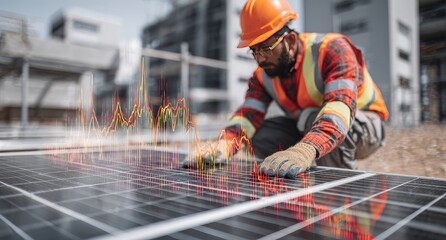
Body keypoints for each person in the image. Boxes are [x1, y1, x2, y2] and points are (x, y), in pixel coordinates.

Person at [183, 0, 389, 179]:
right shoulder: (262, 75)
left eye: (266, 48)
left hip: (364, 126)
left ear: (289, 41)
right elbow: (248, 116)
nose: (260, 58)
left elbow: (340, 107)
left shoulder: (332, 49)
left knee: (311, 118)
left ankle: (340, 192)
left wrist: (305, 149)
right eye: (254, 51)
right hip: (309, 125)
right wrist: (224, 144)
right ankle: (303, 179)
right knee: (259, 134)